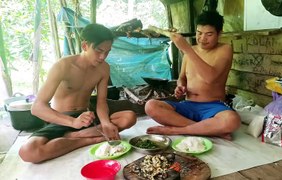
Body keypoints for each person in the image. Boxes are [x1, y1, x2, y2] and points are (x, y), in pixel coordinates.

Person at [19, 24, 136, 163]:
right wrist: (73, 122)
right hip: (62, 119)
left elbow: (101, 101)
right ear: (85, 45)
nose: (102, 57)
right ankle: (85, 139)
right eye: (99, 50)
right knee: (28, 152)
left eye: (107, 52)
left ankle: (75, 136)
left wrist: (105, 123)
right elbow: (37, 107)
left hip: (87, 118)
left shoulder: (104, 68)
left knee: (129, 117)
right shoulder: (63, 66)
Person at [145, 11, 241, 140]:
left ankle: (176, 130)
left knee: (232, 120)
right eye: (199, 33)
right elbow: (182, 78)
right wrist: (180, 86)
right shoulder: (191, 51)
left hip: (213, 107)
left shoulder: (225, 49)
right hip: (188, 105)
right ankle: (209, 130)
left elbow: (210, 78)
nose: (202, 38)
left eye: (209, 34)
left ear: (219, 33)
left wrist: (187, 49)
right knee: (151, 106)